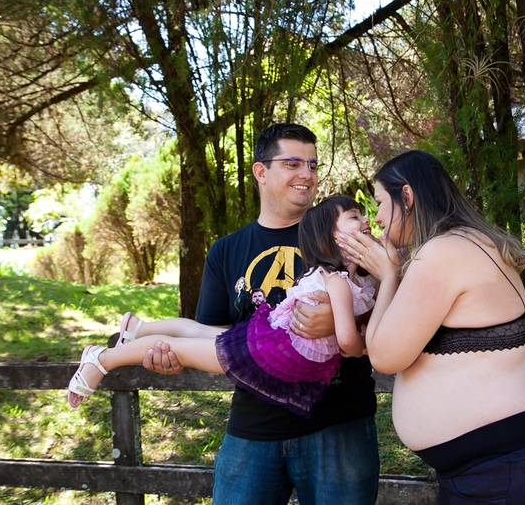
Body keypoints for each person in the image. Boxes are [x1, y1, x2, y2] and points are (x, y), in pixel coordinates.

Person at [141, 123, 378, 504]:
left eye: (313, 165)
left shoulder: (342, 236)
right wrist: (171, 354)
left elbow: (387, 308)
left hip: (339, 425)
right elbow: (215, 337)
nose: (307, 174)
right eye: (293, 163)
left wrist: (340, 322)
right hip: (253, 428)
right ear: (261, 171)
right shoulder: (225, 250)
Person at [337, 150, 525, 504]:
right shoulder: (468, 242)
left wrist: (387, 275)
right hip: (499, 470)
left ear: (407, 196)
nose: (378, 219)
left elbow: (385, 357)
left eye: (380, 204)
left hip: (505, 473)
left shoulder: (443, 252)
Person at [66, 195, 377, 418]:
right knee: (181, 347)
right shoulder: (336, 280)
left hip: (271, 340)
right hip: (267, 351)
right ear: (331, 236)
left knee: (200, 333)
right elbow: (348, 343)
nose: (366, 221)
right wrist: (367, 346)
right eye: (354, 216)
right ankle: (102, 358)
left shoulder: (357, 282)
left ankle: (138, 329)